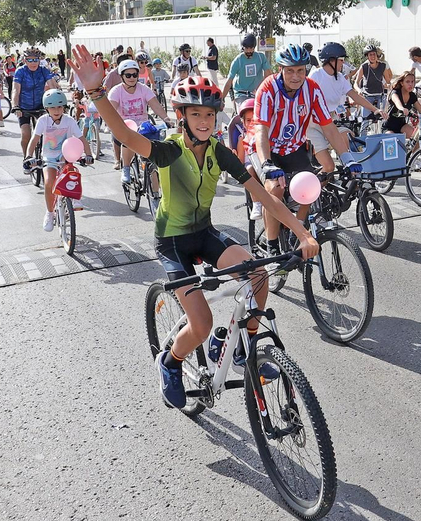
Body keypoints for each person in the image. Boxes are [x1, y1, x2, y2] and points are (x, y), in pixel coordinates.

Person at [67, 47, 318, 409]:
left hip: (204, 233)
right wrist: (95, 92)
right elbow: (123, 133)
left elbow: (265, 198)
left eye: (209, 114)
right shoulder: (169, 150)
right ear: (182, 116)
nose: (204, 120)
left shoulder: (219, 151)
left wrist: (304, 233)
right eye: (195, 113)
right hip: (172, 242)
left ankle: (241, 344)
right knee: (200, 324)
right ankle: (170, 363)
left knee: (258, 274)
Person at [254, 44, 356, 249]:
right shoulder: (268, 88)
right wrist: (266, 163)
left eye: (300, 70)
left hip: (293, 147)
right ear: (280, 69)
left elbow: (329, 128)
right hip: (266, 149)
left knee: (311, 186)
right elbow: (261, 130)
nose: (295, 76)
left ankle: (297, 229)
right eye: (290, 70)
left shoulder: (312, 89)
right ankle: (271, 246)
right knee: (275, 190)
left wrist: (347, 158)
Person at [307, 42, 379, 172]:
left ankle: (349, 174)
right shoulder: (316, 75)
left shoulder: (340, 78)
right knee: (328, 167)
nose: (343, 64)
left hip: (331, 121)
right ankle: (316, 189)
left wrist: (375, 109)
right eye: (341, 60)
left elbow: (355, 95)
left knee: (348, 135)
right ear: (331, 61)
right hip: (314, 124)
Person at [29, 90, 83, 231]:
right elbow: (34, 139)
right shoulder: (43, 121)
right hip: (49, 158)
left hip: (67, 156)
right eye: (52, 107)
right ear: (47, 108)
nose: (57, 110)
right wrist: (29, 156)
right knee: (49, 183)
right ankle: (50, 212)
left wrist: (88, 154)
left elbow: (81, 138)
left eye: (60, 107)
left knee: (73, 173)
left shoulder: (69, 121)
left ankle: (75, 198)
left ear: (64, 107)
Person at [106, 59, 168, 181]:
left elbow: (155, 105)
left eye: (134, 74)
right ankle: (126, 168)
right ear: (121, 76)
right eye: (128, 75)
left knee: (156, 151)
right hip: (124, 128)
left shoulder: (144, 89)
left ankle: (155, 196)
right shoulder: (116, 91)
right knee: (129, 140)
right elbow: (110, 111)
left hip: (143, 127)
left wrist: (166, 119)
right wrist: (111, 125)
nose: (132, 78)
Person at [13, 50, 59, 157]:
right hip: (24, 107)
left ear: (39, 60)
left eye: (36, 60)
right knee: (26, 134)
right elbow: (15, 90)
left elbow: (52, 86)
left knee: (49, 131)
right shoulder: (20, 71)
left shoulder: (44, 70)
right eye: (30, 60)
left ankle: (48, 155)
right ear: (25, 60)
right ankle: (27, 158)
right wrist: (15, 106)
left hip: (40, 106)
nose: (33, 63)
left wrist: (59, 103)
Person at [223, 34, 270, 112]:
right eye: (246, 48)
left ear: (254, 47)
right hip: (241, 94)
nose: (248, 51)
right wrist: (222, 99)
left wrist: (263, 90)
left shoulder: (261, 58)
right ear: (242, 47)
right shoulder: (238, 61)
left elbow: (268, 76)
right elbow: (229, 82)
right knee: (244, 114)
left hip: (257, 93)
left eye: (251, 48)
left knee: (263, 113)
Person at [352, 45, 392, 116]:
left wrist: (389, 87)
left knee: (383, 116)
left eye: (374, 54)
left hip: (380, 95)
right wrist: (358, 90)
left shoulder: (382, 66)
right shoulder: (364, 67)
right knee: (365, 119)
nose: (373, 56)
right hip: (367, 95)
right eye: (370, 55)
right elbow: (356, 83)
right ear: (367, 56)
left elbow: (388, 81)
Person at [382, 72, 421, 139]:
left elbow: (420, 109)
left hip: (402, 126)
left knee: (416, 137)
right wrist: (402, 108)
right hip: (389, 127)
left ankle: (411, 150)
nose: (410, 84)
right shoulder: (395, 93)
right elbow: (397, 102)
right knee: (392, 140)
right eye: (407, 82)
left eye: (412, 82)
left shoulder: (412, 95)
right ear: (402, 83)